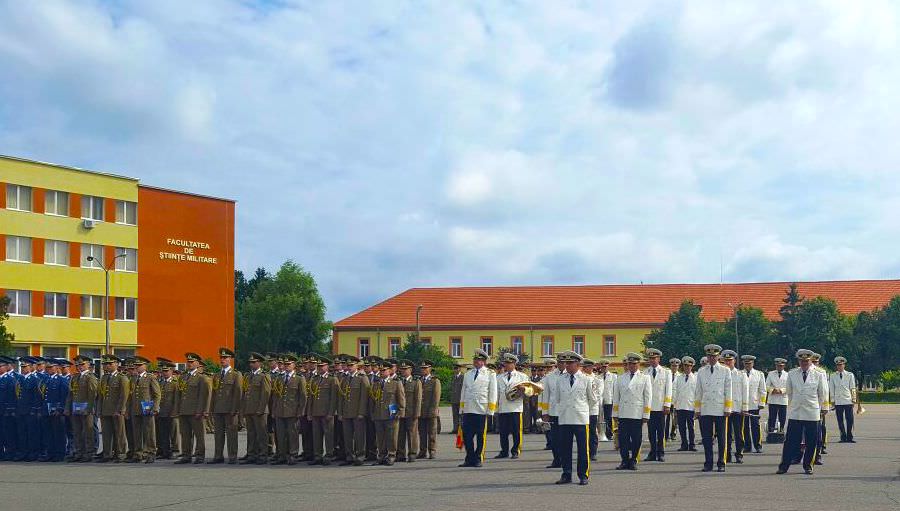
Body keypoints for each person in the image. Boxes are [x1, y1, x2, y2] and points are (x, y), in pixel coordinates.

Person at [777, 349, 829, 475]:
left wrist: (822, 408)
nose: (804, 363)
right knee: (790, 441)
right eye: (801, 361)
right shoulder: (792, 373)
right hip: (796, 412)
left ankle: (808, 465)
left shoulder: (819, 374)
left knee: (812, 441)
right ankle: (784, 466)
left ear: (811, 361)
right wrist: (796, 403)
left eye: (806, 361)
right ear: (798, 361)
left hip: (812, 412)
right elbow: (789, 392)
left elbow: (823, 393)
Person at [551, 351, 596, 486]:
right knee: (565, 448)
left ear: (578, 364)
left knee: (583, 448)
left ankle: (583, 475)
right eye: (566, 363)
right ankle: (566, 474)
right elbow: (557, 398)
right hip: (565, 417)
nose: (567, 366)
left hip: (580, 418)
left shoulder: (586, 379)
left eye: (570, 363)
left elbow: (593, 399)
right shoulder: (560, 379)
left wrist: (583, 409)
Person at [695, 344, 733, 472]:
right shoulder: (701, 371)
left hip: (720, 408)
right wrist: (697, 409)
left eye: (714, 356)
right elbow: (698, 391)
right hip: (706, 408)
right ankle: (708, 462)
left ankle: (721, 462)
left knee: (722, 438)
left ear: (718, 357)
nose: (712, 358)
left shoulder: (725, 370)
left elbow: (728, 390)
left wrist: (728, 408)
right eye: (709, 356)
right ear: (707, 356)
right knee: (706, 438)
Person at [612, 352, 652, 471]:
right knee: (623, 439)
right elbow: (616, 397)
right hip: (623, 413)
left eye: (634, 364)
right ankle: (624, 460)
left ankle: (634, 459)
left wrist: (646, 414)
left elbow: (647, 397)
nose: (632, 366)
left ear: (638, 364)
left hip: (637, 413)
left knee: (636, 439)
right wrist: (615, 414)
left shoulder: (645, 378)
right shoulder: (620, 378)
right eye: (630, 364)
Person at [459, 349, 498, 468]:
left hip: (482, 409)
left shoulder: (490, 374)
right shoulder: (468, 374)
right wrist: (462, 408)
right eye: (475, 360)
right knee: (467, 436)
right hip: (469, 408)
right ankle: (469, 458)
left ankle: (478, 458)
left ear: (484, 362)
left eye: (479, 360)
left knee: (481, 436)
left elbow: (493, 392)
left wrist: (491, 409)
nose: (476, 362)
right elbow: (463, 391)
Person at [175, 352, 212, 464]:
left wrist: (202, 411)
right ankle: (186, 455)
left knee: (199, 435)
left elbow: (204, 395)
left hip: (196, 411)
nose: (189, 364)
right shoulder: (183, 377)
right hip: (184, 410)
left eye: (192, 362)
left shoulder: (202, 378)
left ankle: (200, 455)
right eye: (188, 362)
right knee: (185, 435)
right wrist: (177, 409)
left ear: (197, 363)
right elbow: (179, 395)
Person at [271, 354, 307, 465]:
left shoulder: (299, 379)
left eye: (288, 364)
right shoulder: (279, 378)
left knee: (292, 434)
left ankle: (293, 454)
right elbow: (276, 396)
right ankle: (282, 455)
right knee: (280, 435)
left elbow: (303, 396)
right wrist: (274, 410)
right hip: (280, 411)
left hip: (293, 411)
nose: (286, 366)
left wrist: (300, 411)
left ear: (294, 365)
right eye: (285, 364)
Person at [210, 347, 242, 464]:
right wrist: (212, 408)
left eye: (225, 358)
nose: (222, 360)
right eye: (221, 358)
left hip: (230, 410)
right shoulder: (217, 375)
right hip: (218, 409)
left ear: (230, 359)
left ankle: (232, 456)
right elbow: (214, 393)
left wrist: (235, 409)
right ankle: (218, 456)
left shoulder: (235, 375)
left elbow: (238, 393)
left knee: (231, 434)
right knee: (218, 434)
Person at [64, 355, 99, 463]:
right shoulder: (75, 377)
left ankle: (89, 453)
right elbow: (70, 394)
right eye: (77, 365)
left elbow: (93, 394)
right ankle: (79, 452)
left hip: (86, 409)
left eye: (82, 364)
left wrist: (89, 408)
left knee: (88, 431)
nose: (79, 367)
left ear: (88, 365)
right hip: (75, 408)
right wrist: (67, 408)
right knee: (77, 431)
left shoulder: (91, 377)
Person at [494, 352, 528, 459]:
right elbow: (496, 393)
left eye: (509, 363)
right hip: (503, 407)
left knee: (516, 431)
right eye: (505, 363)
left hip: (515, 408)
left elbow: (530, 391)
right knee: (503, 431)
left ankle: (515, 450)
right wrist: (495, 408)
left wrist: (524, 389)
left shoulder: (522, 376)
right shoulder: (499, 377)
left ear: (514, 364)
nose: (507, 365)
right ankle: (504, 451)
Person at [371, 360, 405, 465]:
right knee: (380, 438)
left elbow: (401, 399)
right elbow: (372, 400)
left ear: (390, 371)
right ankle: (381, 456)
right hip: (378, 414)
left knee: (391, 437)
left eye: (384, 370)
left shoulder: (396, 383)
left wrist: (400, 412)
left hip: (391, 414)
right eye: (380, 370)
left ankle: (391, 455)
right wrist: (373, 413)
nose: (381, 372)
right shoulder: (376, 384)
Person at [241, 352, 272, 465]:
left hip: (260, 410)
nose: (251, 364)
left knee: (261, 434)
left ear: (259, 363)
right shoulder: (248, 376)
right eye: (250, 362)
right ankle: (251, 454)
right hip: (249, 409)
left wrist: (261, 408)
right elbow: (245, 393)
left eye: (254, 362)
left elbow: (266, 393)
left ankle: (263, 455)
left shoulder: (264, 376)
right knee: (251, 433)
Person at [128, 356, 160, 463]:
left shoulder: (150, 377)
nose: (137, 367)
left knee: (149, 432)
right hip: (135, 409)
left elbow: (157, 394)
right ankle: (138, 453)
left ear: (145, 366)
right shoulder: (133, 378)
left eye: (139, 365)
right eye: (136, 365)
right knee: (136, 433)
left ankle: (151, 453)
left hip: (147, 409)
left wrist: (155, 407)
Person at [308, 356, 339, 465]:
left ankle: (329, 455)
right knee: (316, 435)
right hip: (316, 411)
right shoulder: (315, 379)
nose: (320, 368)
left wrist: (331, 412)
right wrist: (309, 412)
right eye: (319, 366)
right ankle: (318, 456)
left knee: (328, 435)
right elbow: (311, 396)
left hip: (327, 412)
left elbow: (333, 398)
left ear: (327, 366)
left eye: (322, 366)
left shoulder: (332, 379)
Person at [98, 355, 130, 463]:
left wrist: (120, 409)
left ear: (116, 364)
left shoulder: (122, 378)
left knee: (119, 433)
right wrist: (99, 409)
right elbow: (101, 395)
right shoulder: (104, 378)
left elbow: (124, 395)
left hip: (117, 410)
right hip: (105, 409)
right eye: (105, 364)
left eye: (110, 364)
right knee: (107, 433)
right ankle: (107, 454)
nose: (107, 366)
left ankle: (120, 454)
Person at [642, 348, 672, 462]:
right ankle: (652, 453)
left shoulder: (666, 372)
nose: (652, 360)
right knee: (650, 432)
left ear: (658, 359)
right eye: (650, 358)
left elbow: (668, 389)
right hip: (649, 407)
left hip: (660, 406)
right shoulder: (645, 372)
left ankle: (661, 453)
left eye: (654, 358)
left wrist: (667, 404)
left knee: (660, 432)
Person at [339, 355, 369, 466]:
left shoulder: (362, 378)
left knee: (359, 435)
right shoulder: (345, 378)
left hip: (357, 412)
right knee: (347, 436)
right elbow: (341, 397)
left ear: (357, 366)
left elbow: (364, 397)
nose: (349, 367)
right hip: (346, 412)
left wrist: (361, 412)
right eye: (348, 365)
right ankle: (349, 456)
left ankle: (360, 456)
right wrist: (341, 412)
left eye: (351, 365)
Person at [721, 350, 749, 464]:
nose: (728, 363)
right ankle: (727, 455)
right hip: (724, 409)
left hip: (737, 408)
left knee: (738, 433)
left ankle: (739, 454)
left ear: (734, 361)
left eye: (730, 360)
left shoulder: (741, 375)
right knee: (726, 434)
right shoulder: (721, 374)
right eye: (726, 361)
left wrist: (745, 408)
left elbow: (745, 392)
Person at [539, 357, 564, 468]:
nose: (561, 364)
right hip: (554, 411)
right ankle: (556, 460)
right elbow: (546, 396)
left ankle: (565, 460)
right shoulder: (550, 376)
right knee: (554, 438)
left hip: (567, 412)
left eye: (563, 362)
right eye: (559, 362)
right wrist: (545, 412)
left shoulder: (573, 375)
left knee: (565, 439)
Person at [396, 360, 422, 462]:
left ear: (410, 370)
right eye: (402, 369)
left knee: (412, 434)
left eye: (405, 369)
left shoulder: (416, 382)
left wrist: (417, 412)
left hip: (411, 412)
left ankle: (412, 453)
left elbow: (418, 399)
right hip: (399, 412)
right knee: (400, 434)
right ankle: (401, 454)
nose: (403, 371)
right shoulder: (398, 381)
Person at [742, 355, 767, 453]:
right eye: (746, 363)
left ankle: (758, 445)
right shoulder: (740, 374)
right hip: (743, 404)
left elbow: (763, 390)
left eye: (749, 363)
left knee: (755, 426)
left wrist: (762, 402)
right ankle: (746, 446)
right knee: (744, 426)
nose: (747, 365)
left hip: (754, 403)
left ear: (753, 363)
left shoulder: (759, 374)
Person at [579, 359, 603, 461]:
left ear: (591, 368)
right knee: (582, 432)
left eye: (586, 367)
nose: (584, 369)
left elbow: (598, 394)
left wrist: (587, 403)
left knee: (592, 431)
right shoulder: (580, 378)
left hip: (592, 409)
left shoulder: (598, 379)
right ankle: (584, 451)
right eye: (583, 367)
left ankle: (593, 452)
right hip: (581, 409)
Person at [417, 359, 441, 460]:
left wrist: (433, 410)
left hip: (431, 411)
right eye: (422, 368)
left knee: (432, 433)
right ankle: (422, 451)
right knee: (422, 433)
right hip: (421, 411)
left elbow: (436, 398)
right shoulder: (419, 380)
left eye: (425, 368)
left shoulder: (435, 381)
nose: (423, 370)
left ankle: (432, 451)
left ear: (430, 369)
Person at [829, 356, 857, 443]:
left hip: (848, 400)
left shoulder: (849, 375)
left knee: (850, 419)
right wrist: (832, 401)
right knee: (840, 420)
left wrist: (854, 399)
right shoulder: (833, 376)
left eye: (841, 365)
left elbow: (852, 387)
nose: (839, 366)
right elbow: (831, 389)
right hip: (838, 401)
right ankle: (843, 436)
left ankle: (850, 436)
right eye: (838, 365)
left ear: (844, 365)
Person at [155, 358, 179, 460]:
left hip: (171, 411)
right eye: (163, 371)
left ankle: (175, 451)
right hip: (161, 411)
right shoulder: (159, 382)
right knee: (162, 433)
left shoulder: (175, 383)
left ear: (171, 371)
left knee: (173, 433)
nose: (164, 373)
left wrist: (174, 411)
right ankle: (165, 451)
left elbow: (177, 399)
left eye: (166, 371)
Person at [673, 356, 697, 451]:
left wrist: (697, 407)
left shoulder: (695, 378)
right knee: (682, 427)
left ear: (692, 367)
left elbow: (697, 393)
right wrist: (675, 405)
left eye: (689, 366)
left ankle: (692, 444)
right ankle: (684, 444)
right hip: (680, 406)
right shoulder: (679, 378)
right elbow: (675, 392)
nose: (687, 368)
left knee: (691, 427)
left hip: (691, 406)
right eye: (685, 366)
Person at [766, 358, 789, 433]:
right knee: (772, 417)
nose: (779, 367)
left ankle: (781, 431)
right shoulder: (771, 374)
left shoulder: (788, 375)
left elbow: (790, 387)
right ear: (776, 366)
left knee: (782, 417)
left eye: (781, 366)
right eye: (778, 366)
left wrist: (781, 390)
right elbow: (766, 386)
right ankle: (771, 431)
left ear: (784, 366)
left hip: (783, 399)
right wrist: (773, 390)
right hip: (773, 399)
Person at [597, 360, 617, 442]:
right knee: (602, 418)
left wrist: (614, 400)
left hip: (609, 399)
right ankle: (603, 432)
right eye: (602, 367)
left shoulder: (613, 376)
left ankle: (609, 433)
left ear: (608, 367)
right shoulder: (598, 377)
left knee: (608, 417)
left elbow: (615, 389)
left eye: (605, 367)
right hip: (601, 400)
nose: (604, 368)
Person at [667, 358, 681, 441]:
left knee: (675, 419)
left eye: (676, 366)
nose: (674, 367)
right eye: (673, 366)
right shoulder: (667, 375)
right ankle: (667, 434)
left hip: (676, 400)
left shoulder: (680, 376)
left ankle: (673, 433)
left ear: (678, 367)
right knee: (667, 419)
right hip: (668, 400)